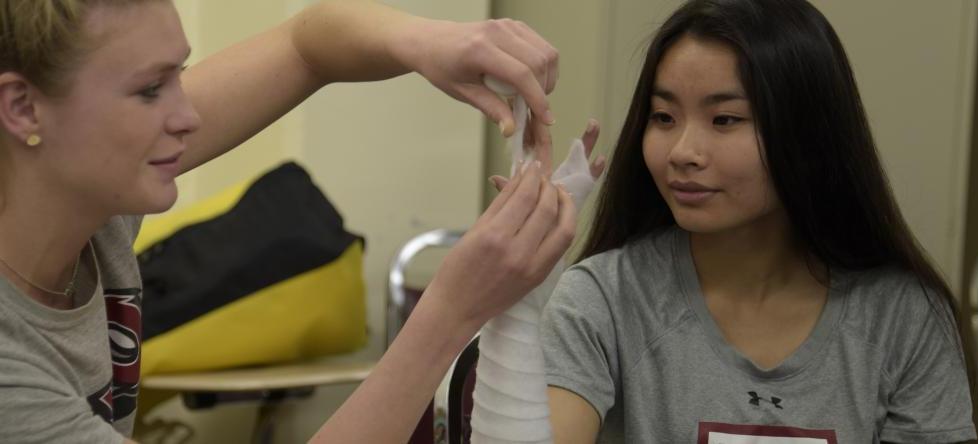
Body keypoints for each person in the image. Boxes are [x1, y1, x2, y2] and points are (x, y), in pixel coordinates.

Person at [0, 0, 587, 442]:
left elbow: (305, 48)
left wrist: (430, 40)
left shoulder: (87, 200)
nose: (188, 114)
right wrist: (452, 311)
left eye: (180, 73)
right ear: (24, 108)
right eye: (151, 89)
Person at [539, 0, 978, 442]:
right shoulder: (602, 300)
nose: (681, 152)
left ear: (808, 133)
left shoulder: (902, 317)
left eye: (724, 119)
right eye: (664, 117)